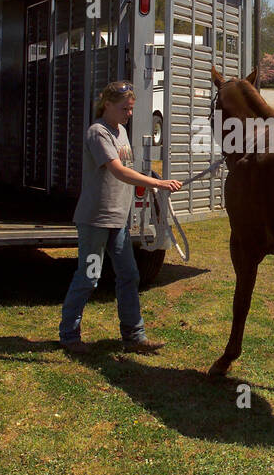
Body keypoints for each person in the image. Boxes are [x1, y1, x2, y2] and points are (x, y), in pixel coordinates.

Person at [59, 80, 182, 355]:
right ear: (107, 105)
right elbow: (117, 170)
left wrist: (150, 183)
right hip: (95, 220)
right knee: (89, 276)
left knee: (129, 274)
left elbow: (127, 170)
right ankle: (68, 335)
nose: (129, 113)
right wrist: (158, 184)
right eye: (125, 108)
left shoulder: (122, 132)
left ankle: (134, 336)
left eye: (131, 108)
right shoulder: (97, 133)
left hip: (118, 220)